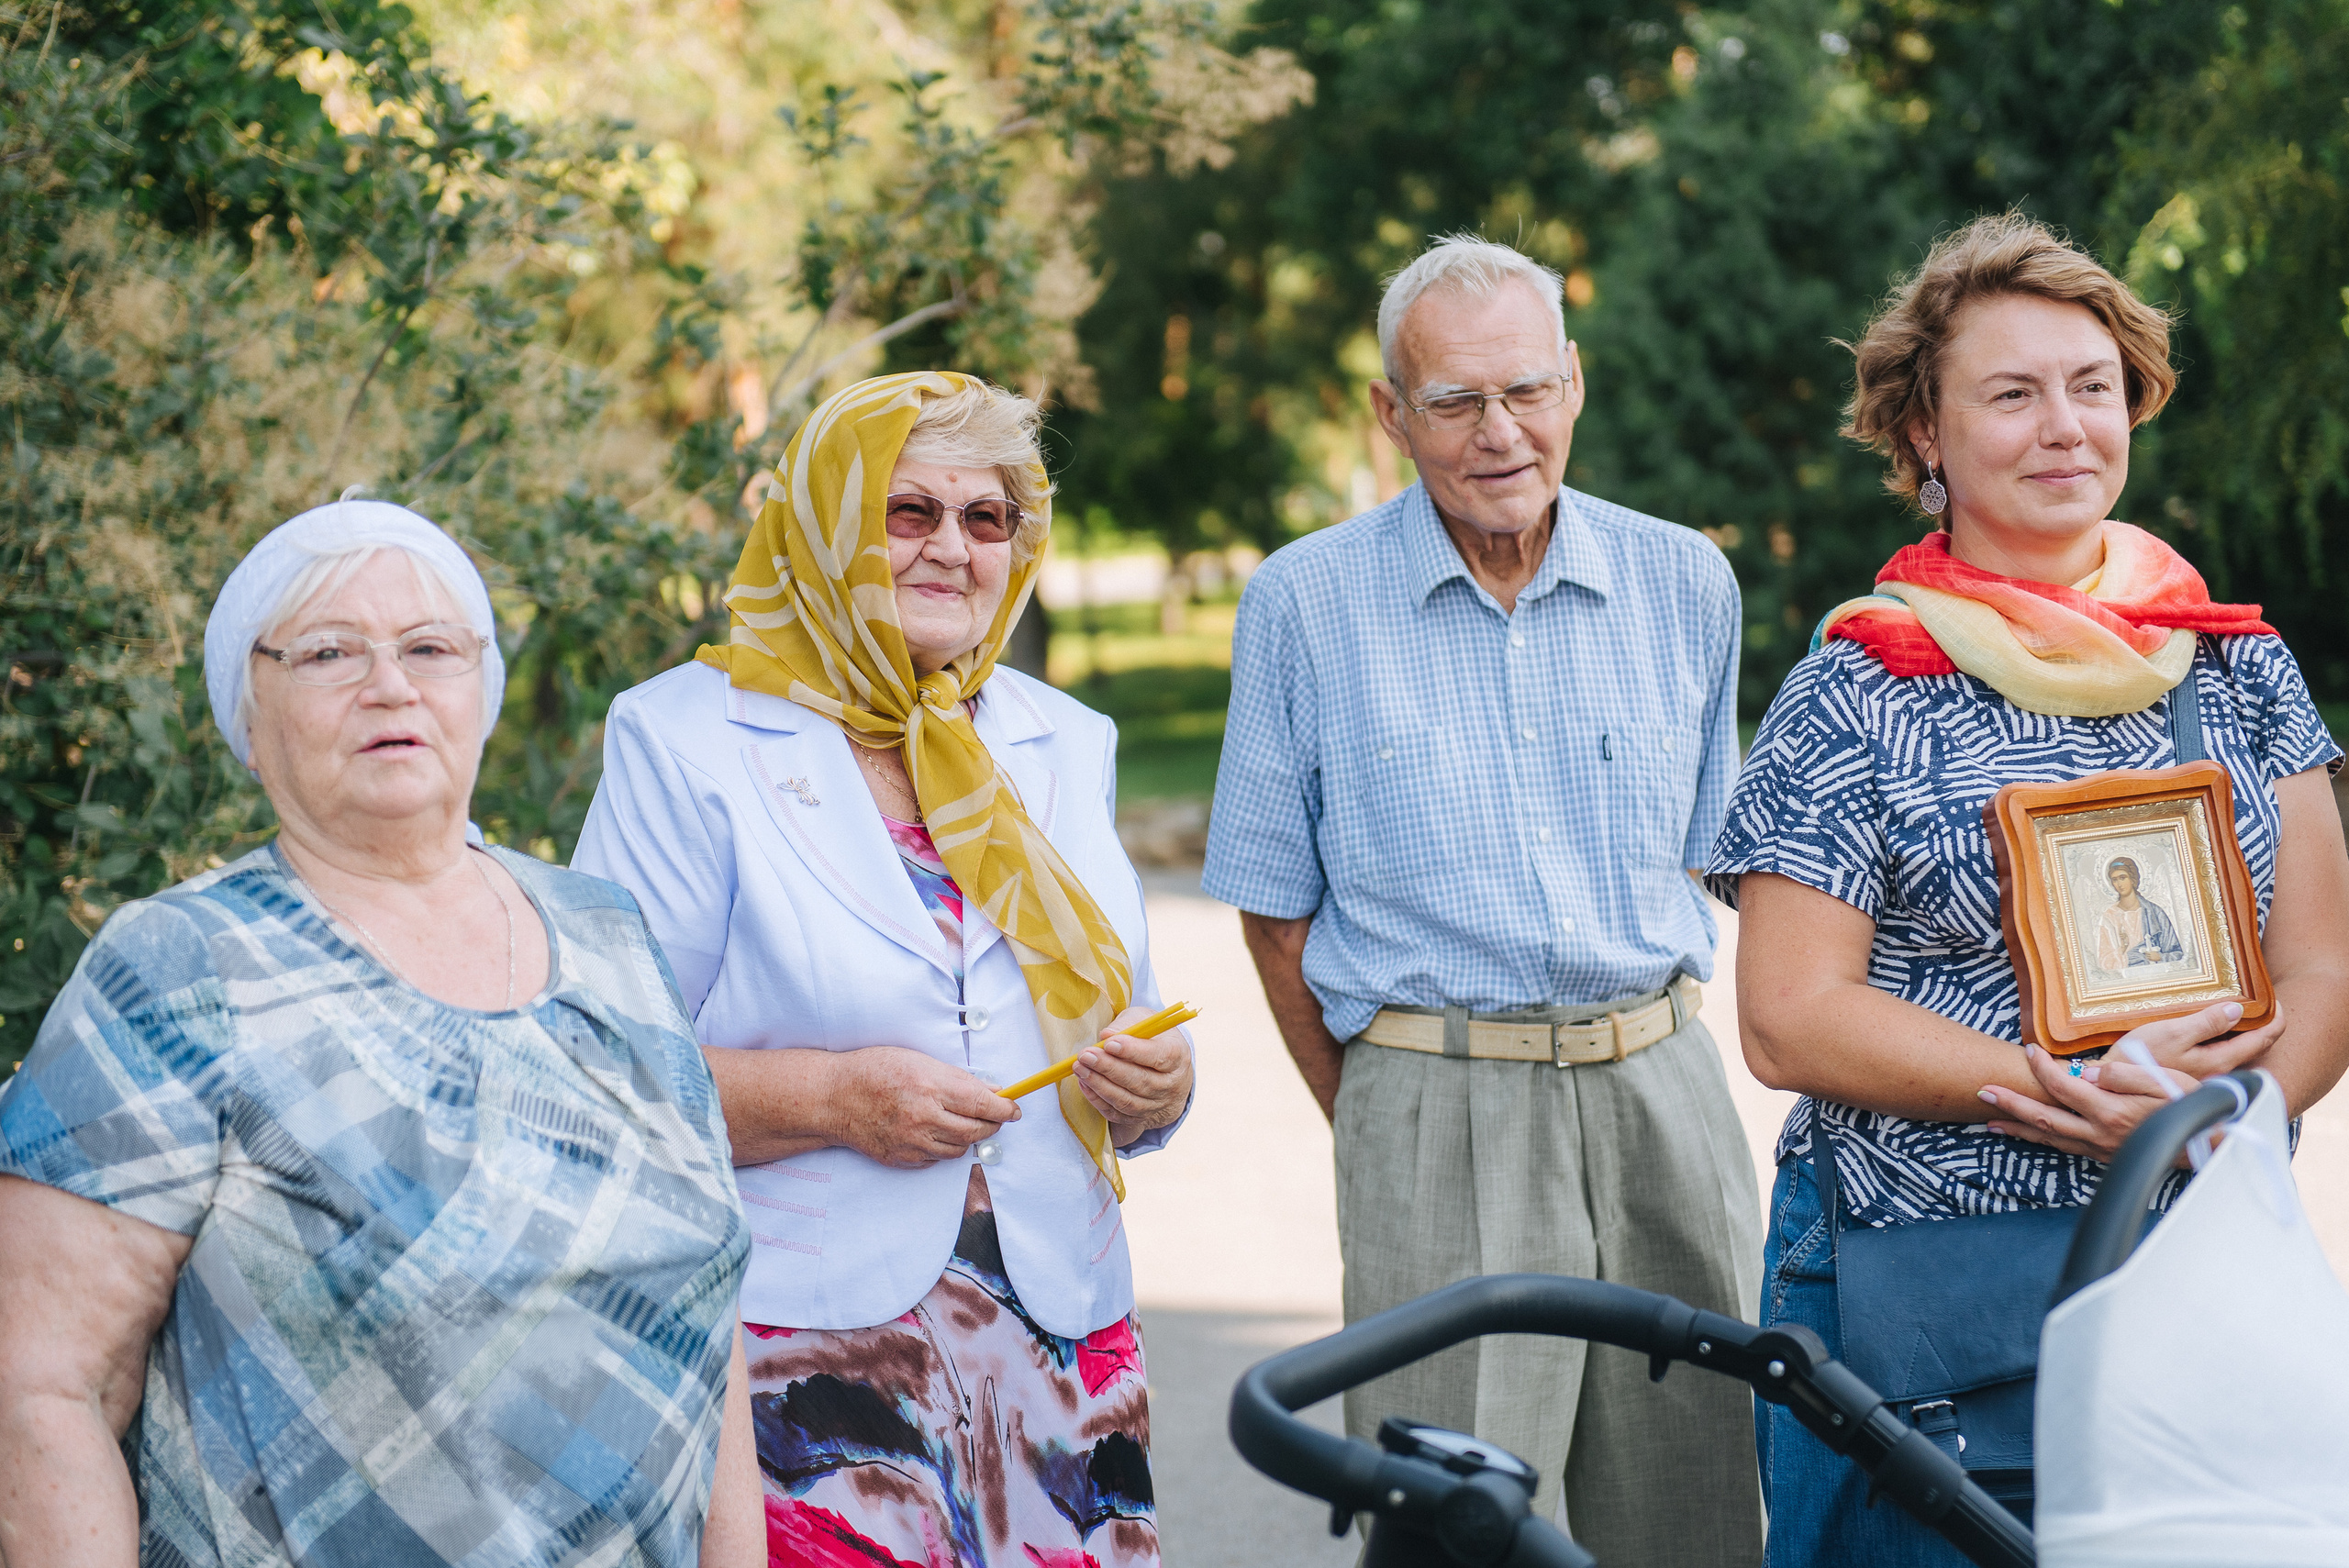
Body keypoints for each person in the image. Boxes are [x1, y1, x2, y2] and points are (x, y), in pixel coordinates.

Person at [1711, 213, 2349, 1564]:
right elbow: (1786, 1015)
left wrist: (2219, 1114)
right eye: (2012, 393)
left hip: (2201, 1271)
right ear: (1927, 434)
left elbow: (2324, 970)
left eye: (2093, 386)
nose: (2065, 425)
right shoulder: (1856, 689)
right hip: (1920, 1309)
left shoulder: (2240, 667)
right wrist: (2063, 1089)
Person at [0, 502, 760, 1567]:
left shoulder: (608, 935)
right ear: (251, 723)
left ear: (481, 691)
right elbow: (42, 1388)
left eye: (431, 648)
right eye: (327, 652)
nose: (391, 683)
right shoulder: (177, 968)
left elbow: (705, 1316)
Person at [571, 372, 1192, 1568]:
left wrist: (1160, 1086)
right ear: (829, 526)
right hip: (811, 1362)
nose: (951, 547)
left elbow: (1135, 1019)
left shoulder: (1065, 741)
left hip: (1061, 1346)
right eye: (908, 512)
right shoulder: (687, 738)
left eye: (986, 517)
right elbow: (608, 1076)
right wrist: (835, 1100)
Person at [1201, 235, 1761, 1562]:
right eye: (1455, 401)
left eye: (1526, 391)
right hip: (1431, 1107)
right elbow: (1274, 915)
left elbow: (1705, 858)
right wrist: (1387, 1110)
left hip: (1661, 1098)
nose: (1499, 432)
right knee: (1454, 1531)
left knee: (1696, 1519)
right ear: (1391, 414)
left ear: (1573, 383)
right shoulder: (1303, 602)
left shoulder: (1688, 580)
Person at [2095, 857, 2184, 972]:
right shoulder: (2109, 916)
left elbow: (2177, 953)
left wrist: (2161, 957)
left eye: (2123, 878)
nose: (2119, 884)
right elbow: (2104, 962)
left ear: (2132, 879)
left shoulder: (2155, 913)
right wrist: (2122, 949)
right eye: (2115, 880)